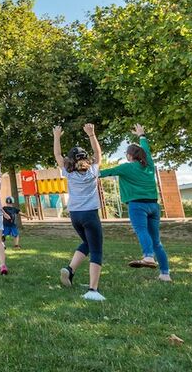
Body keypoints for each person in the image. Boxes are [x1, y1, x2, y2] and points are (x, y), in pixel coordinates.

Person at [100, 124, 171, 282]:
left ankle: (148, 257)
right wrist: (141, 135)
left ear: (129, 155)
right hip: (153, 206)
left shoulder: (127, 167)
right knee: (156, 241)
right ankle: (165, 274)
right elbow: (146, 149)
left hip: (137, 205)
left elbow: (103, 173)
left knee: (141, 231)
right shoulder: (149, 165)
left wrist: (84, 171)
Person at [54, 124, 106, 301]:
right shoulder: (92, 171)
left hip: (75, 215)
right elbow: (98, 154)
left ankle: (69, 271)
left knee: (87, 243)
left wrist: (57, 136)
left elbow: (57, 155)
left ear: (71, 160)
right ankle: (93, 290)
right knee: (97, 249)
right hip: (90, 214)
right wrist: (91, 134)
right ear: (85, 158)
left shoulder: (68, 173)